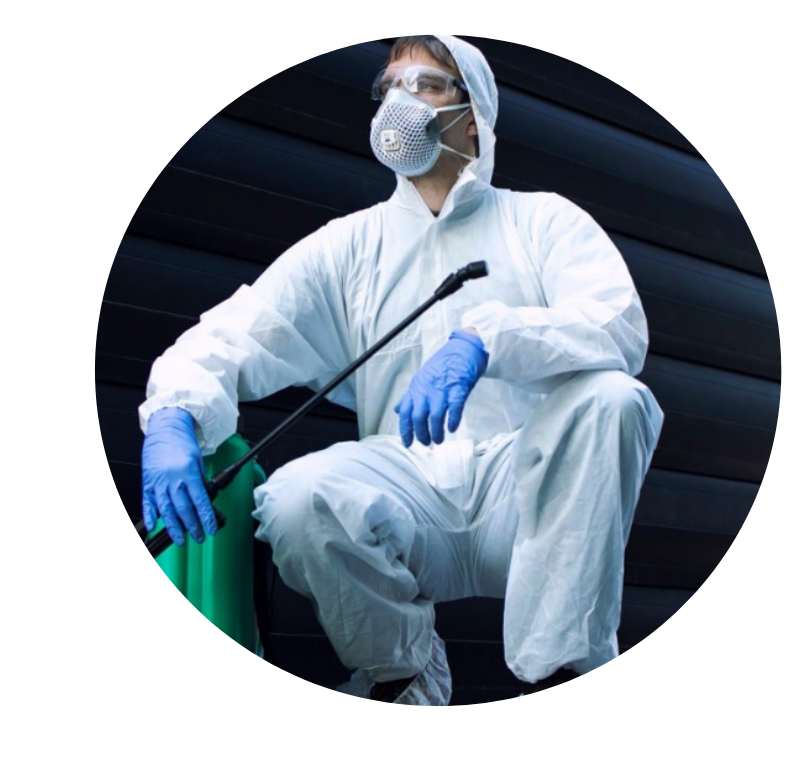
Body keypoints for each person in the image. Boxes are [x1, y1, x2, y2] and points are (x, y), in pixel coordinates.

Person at [139, 35, 665, 705]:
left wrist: (485, 339)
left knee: (614, 397)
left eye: (425, 84)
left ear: (473, 117)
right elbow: (238, 331)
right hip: (406, 494)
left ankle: (559, 670)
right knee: (298, 497)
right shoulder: (349, 245)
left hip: (530, 493)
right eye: (388, 86)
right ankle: (403, 675)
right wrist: (175, 413)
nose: (399, 100)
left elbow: (616, 323)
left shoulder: (542, 221)